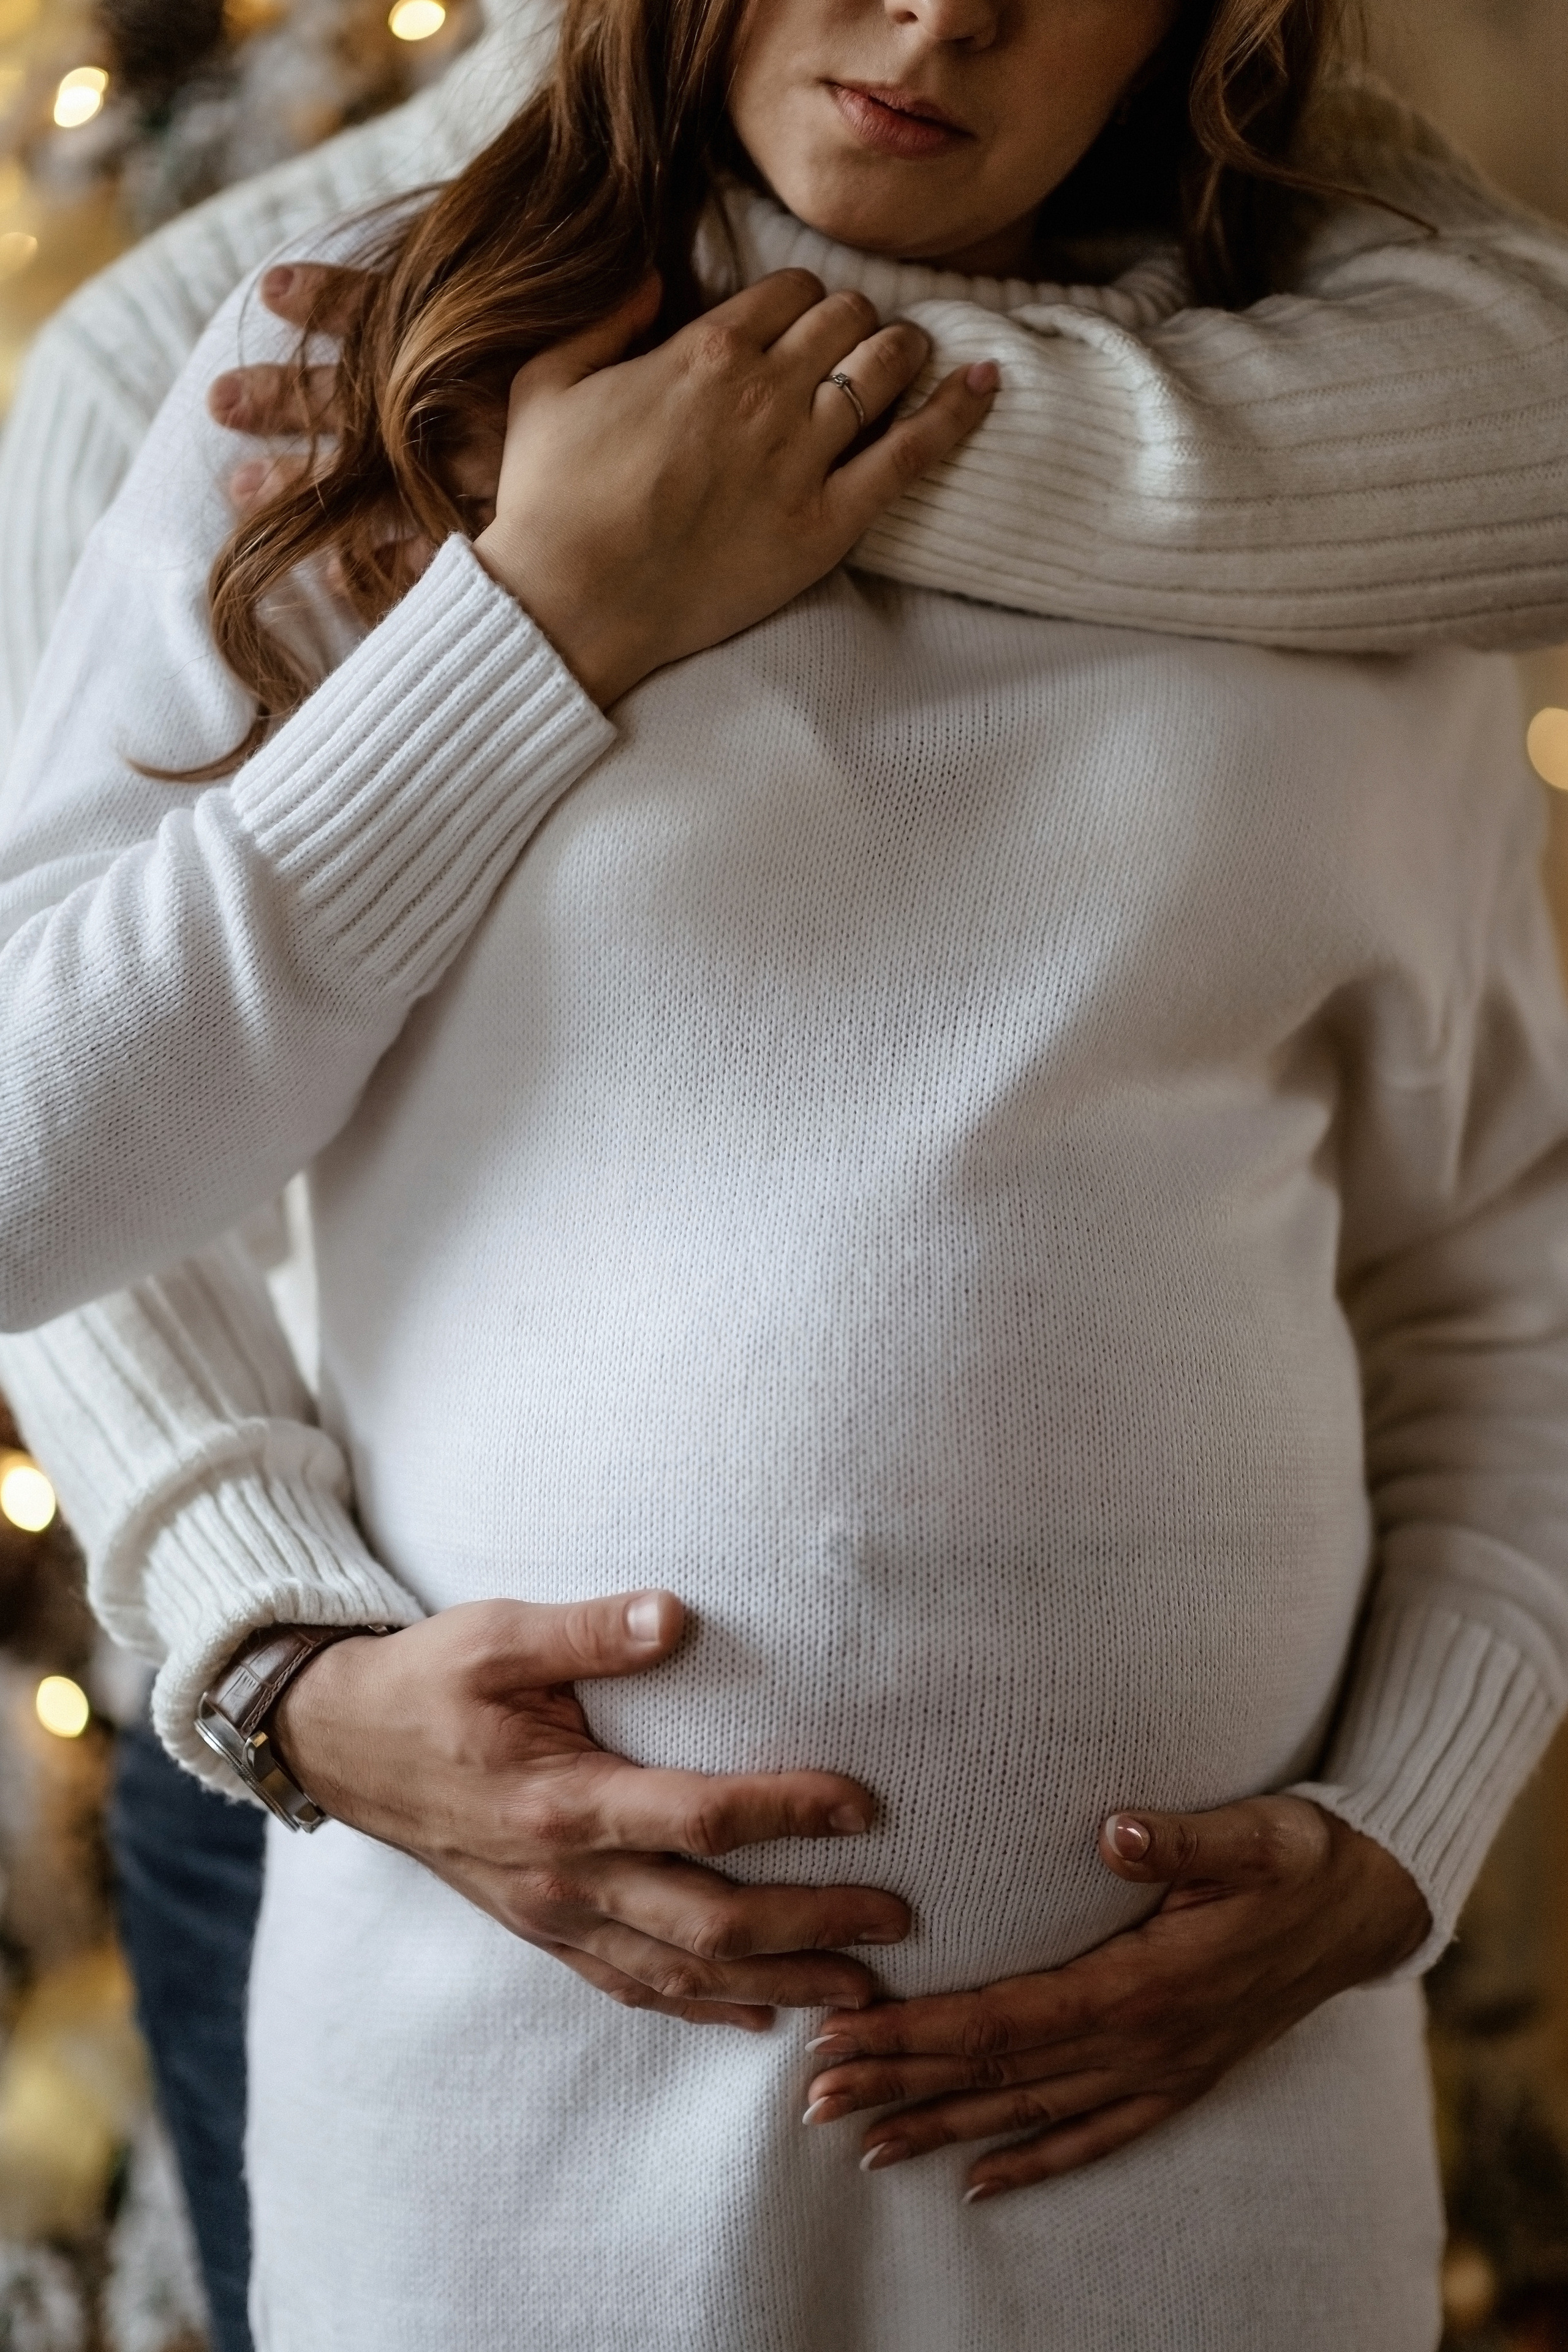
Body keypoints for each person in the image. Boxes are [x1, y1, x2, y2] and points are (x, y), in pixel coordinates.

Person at [3, 0, 1568, 2342]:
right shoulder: (346, 370)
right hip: (500, 2102)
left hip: (1204, 2126)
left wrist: (1408, 1837)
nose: (944, 14)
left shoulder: (1344, 500)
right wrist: (528, 634)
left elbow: (1502, 1270)